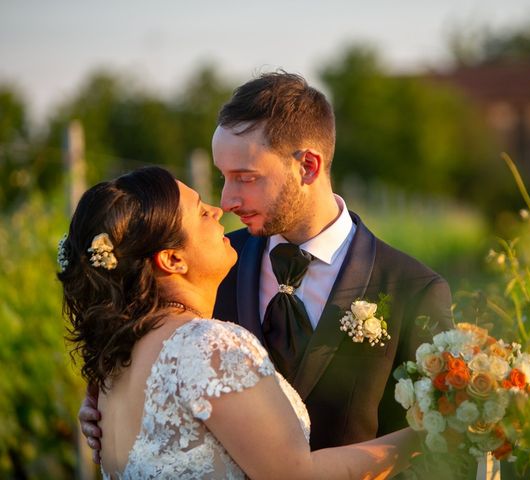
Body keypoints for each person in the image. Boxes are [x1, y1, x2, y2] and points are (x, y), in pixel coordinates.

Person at [80, 72, 453, 456]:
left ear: (307, 166)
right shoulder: (211, 264)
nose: (227, 201)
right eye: (223, 177)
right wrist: (109, 397)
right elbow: (149, 344)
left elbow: (436, 441)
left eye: (245, 178)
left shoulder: (412, 289)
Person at [59, 165, 421, 478]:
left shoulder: (114, 366)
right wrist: (424, 436)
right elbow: (296, 476)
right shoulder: (206, 345)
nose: (219, 210)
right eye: (201, 212)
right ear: (172, 259)